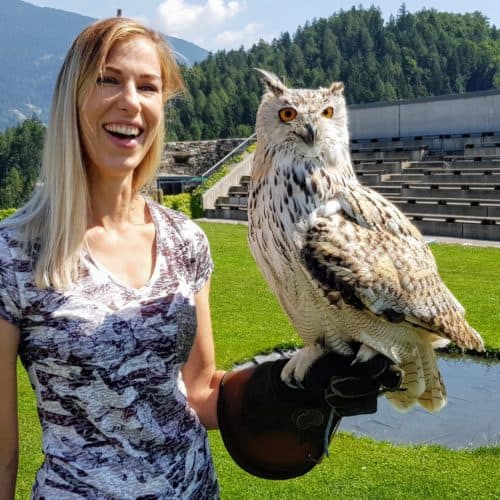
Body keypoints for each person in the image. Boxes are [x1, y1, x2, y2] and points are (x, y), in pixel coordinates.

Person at [0, 17, 399, 499]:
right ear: (72, 97)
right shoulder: (14, 253)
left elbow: (201, 391)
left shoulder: (185, 240)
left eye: (148, 87)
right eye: (108, 79)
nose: (131, 100)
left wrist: (297, 382)